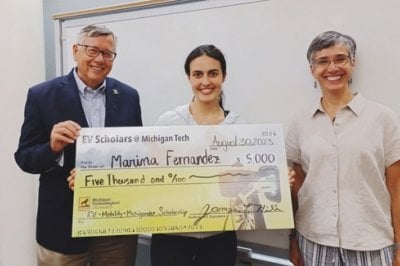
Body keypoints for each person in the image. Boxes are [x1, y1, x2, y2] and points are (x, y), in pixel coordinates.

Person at [146, 44, 295, 266]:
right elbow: (144, 175)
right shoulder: (168, 122)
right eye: (198, 74)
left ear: (223, 76)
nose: (205, 82)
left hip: (219, 237)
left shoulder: (239, 126)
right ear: (189, 78)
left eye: (213, 73)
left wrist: (279, 180)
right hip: (171, 237)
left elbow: (251, 178)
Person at [14, 24, 142, 266]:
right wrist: (52, 147)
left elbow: (136, 156)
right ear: (75, 51)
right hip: (62, 225)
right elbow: (25, 157)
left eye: (107, 53)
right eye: (92, 51)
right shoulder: (42, 95)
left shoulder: (128, 96)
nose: (100, 59)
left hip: (114, 227)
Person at [286, 31, 400, 266]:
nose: (332, 67)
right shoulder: (299, 123)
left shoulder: (384, 119)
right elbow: (297, 188)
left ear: (352, 64)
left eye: (340, 59)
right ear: (312, 70)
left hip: (371, 244)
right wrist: (293, 238)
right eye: (322, 61)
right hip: (314, 241)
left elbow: (397, 189)